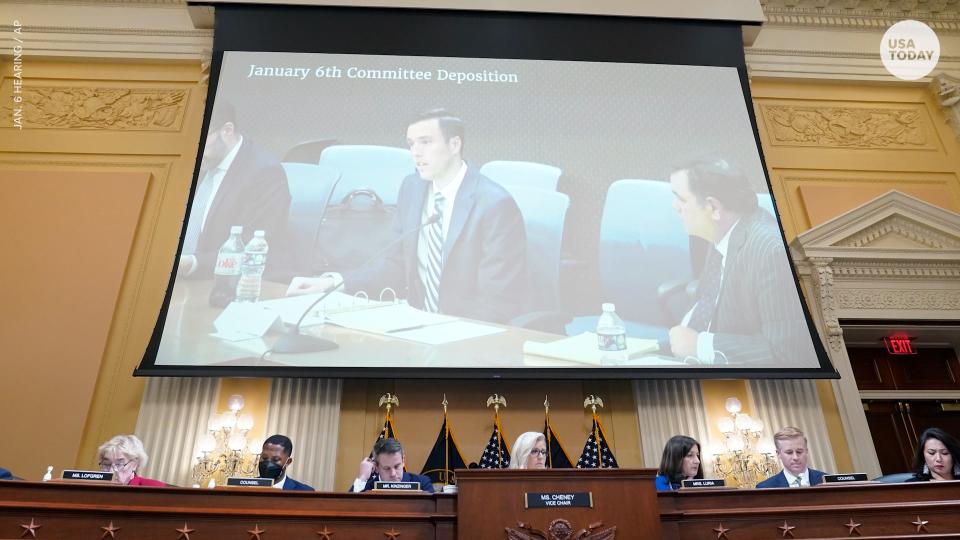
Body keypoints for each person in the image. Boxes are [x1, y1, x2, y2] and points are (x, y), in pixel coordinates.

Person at [287, 109, 528, 324]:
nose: (416, 153)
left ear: (454, 145)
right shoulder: (413, 188)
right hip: (417, 324)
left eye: (425, 142)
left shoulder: (494, 204)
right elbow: (396, 263)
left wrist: (448, 338)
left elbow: (496, 300)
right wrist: (334, 282)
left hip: (466, 332)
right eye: (411, 144)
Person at [667, 158, 814, 366]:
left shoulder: (771, 252)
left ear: (713, 208)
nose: (675, 207)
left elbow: (785, 352)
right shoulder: (720, 232)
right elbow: (709, 305)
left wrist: (700, 345)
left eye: (681, 199)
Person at [178, 101, 291, 279]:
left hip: (228, 282)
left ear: (227, 130)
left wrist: (192, 263)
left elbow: (252, 246)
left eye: (200, 138)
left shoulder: (265, 173)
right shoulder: (200, 163)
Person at [351, 438, 435, 493]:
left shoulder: (422, 483)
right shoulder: (365, 488)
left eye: (397, 466)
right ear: (376, 467)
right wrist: (362, 477)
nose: (393, 474)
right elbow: (349, 508)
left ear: (403, 461)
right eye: (387, 468)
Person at [756, 427, 825, 488]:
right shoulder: (765, 487)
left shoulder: (827, 481)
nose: (795, 457)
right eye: (789, 453)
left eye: (799, 452)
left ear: (806, 451)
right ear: (778, 454)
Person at [97, 435, 166, 487]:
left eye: (119, 464)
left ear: (135, 464)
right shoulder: (93, 489)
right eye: (107, 464)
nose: (111, 471)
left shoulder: (155, 488)